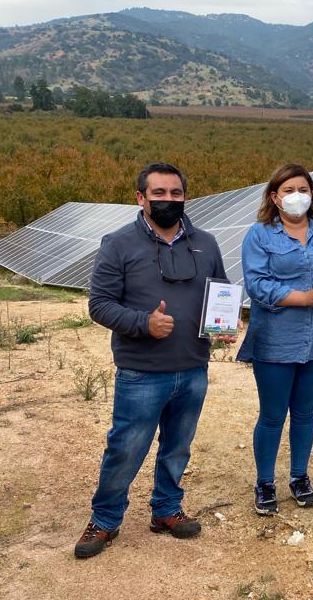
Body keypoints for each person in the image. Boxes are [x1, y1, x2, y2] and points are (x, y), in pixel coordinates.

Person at [75, 162, 233, 559]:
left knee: (178, 447)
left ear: (184, 197)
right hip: (141, 372)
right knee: (125, 448)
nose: (168, 200)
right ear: (141, 198)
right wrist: (143, 323)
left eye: (175, 194)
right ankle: (105, 519)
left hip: (193, 367)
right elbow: (99, 305)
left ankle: (166, 509)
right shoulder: (118, 243)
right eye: (158, 194)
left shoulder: (207, 243)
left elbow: (221, 292)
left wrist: (224, 324)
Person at [237, 164, 313, 515]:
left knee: (305, 413)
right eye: (288, 190)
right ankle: (265, 482)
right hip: (275, 339)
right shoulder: (259, 236)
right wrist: (302, 297)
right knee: (272, 415)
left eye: (303, 188)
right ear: (274, 196)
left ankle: (299, 476)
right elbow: (257, 285)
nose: (297, 195)